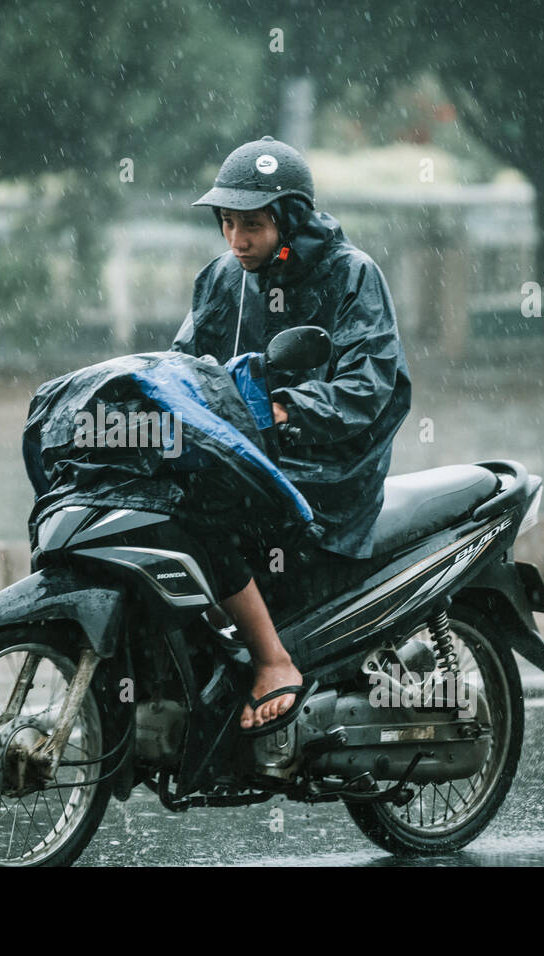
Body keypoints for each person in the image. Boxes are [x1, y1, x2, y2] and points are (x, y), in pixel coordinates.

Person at [169, 136, 412, 732]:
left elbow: (368, 386)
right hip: (246, 457)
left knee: (204, 512)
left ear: (291, 218)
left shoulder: (352, 276)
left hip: (330, 470)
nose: (236, 240)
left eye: (251, 225)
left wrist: (281, 411)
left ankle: (275, 661)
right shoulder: (224, 278)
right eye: (227, 223)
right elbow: (180, 362)